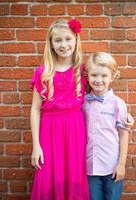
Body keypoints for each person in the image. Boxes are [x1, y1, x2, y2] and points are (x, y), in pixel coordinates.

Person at [30, 18, 89, 200]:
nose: (64, 45)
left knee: (73, 174)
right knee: (48, 175)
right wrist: (36, 145)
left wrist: (123, 114)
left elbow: (101, 95)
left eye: (68, 39)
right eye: (58, 40)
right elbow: (34, 110)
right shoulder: (43, 72)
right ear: (51, 44)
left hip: (75, 130)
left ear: (76, 40)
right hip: (49, 131)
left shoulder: (83, 70)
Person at [83, 52, 130, 200]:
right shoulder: (82, 103)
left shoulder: (118, 103)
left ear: (112, 77)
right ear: (87, 75)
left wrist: (121, 164)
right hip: (89, 165)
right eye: (94, 75)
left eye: (104, 76)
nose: (98, 80)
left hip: (112, 165)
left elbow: (123, 134)